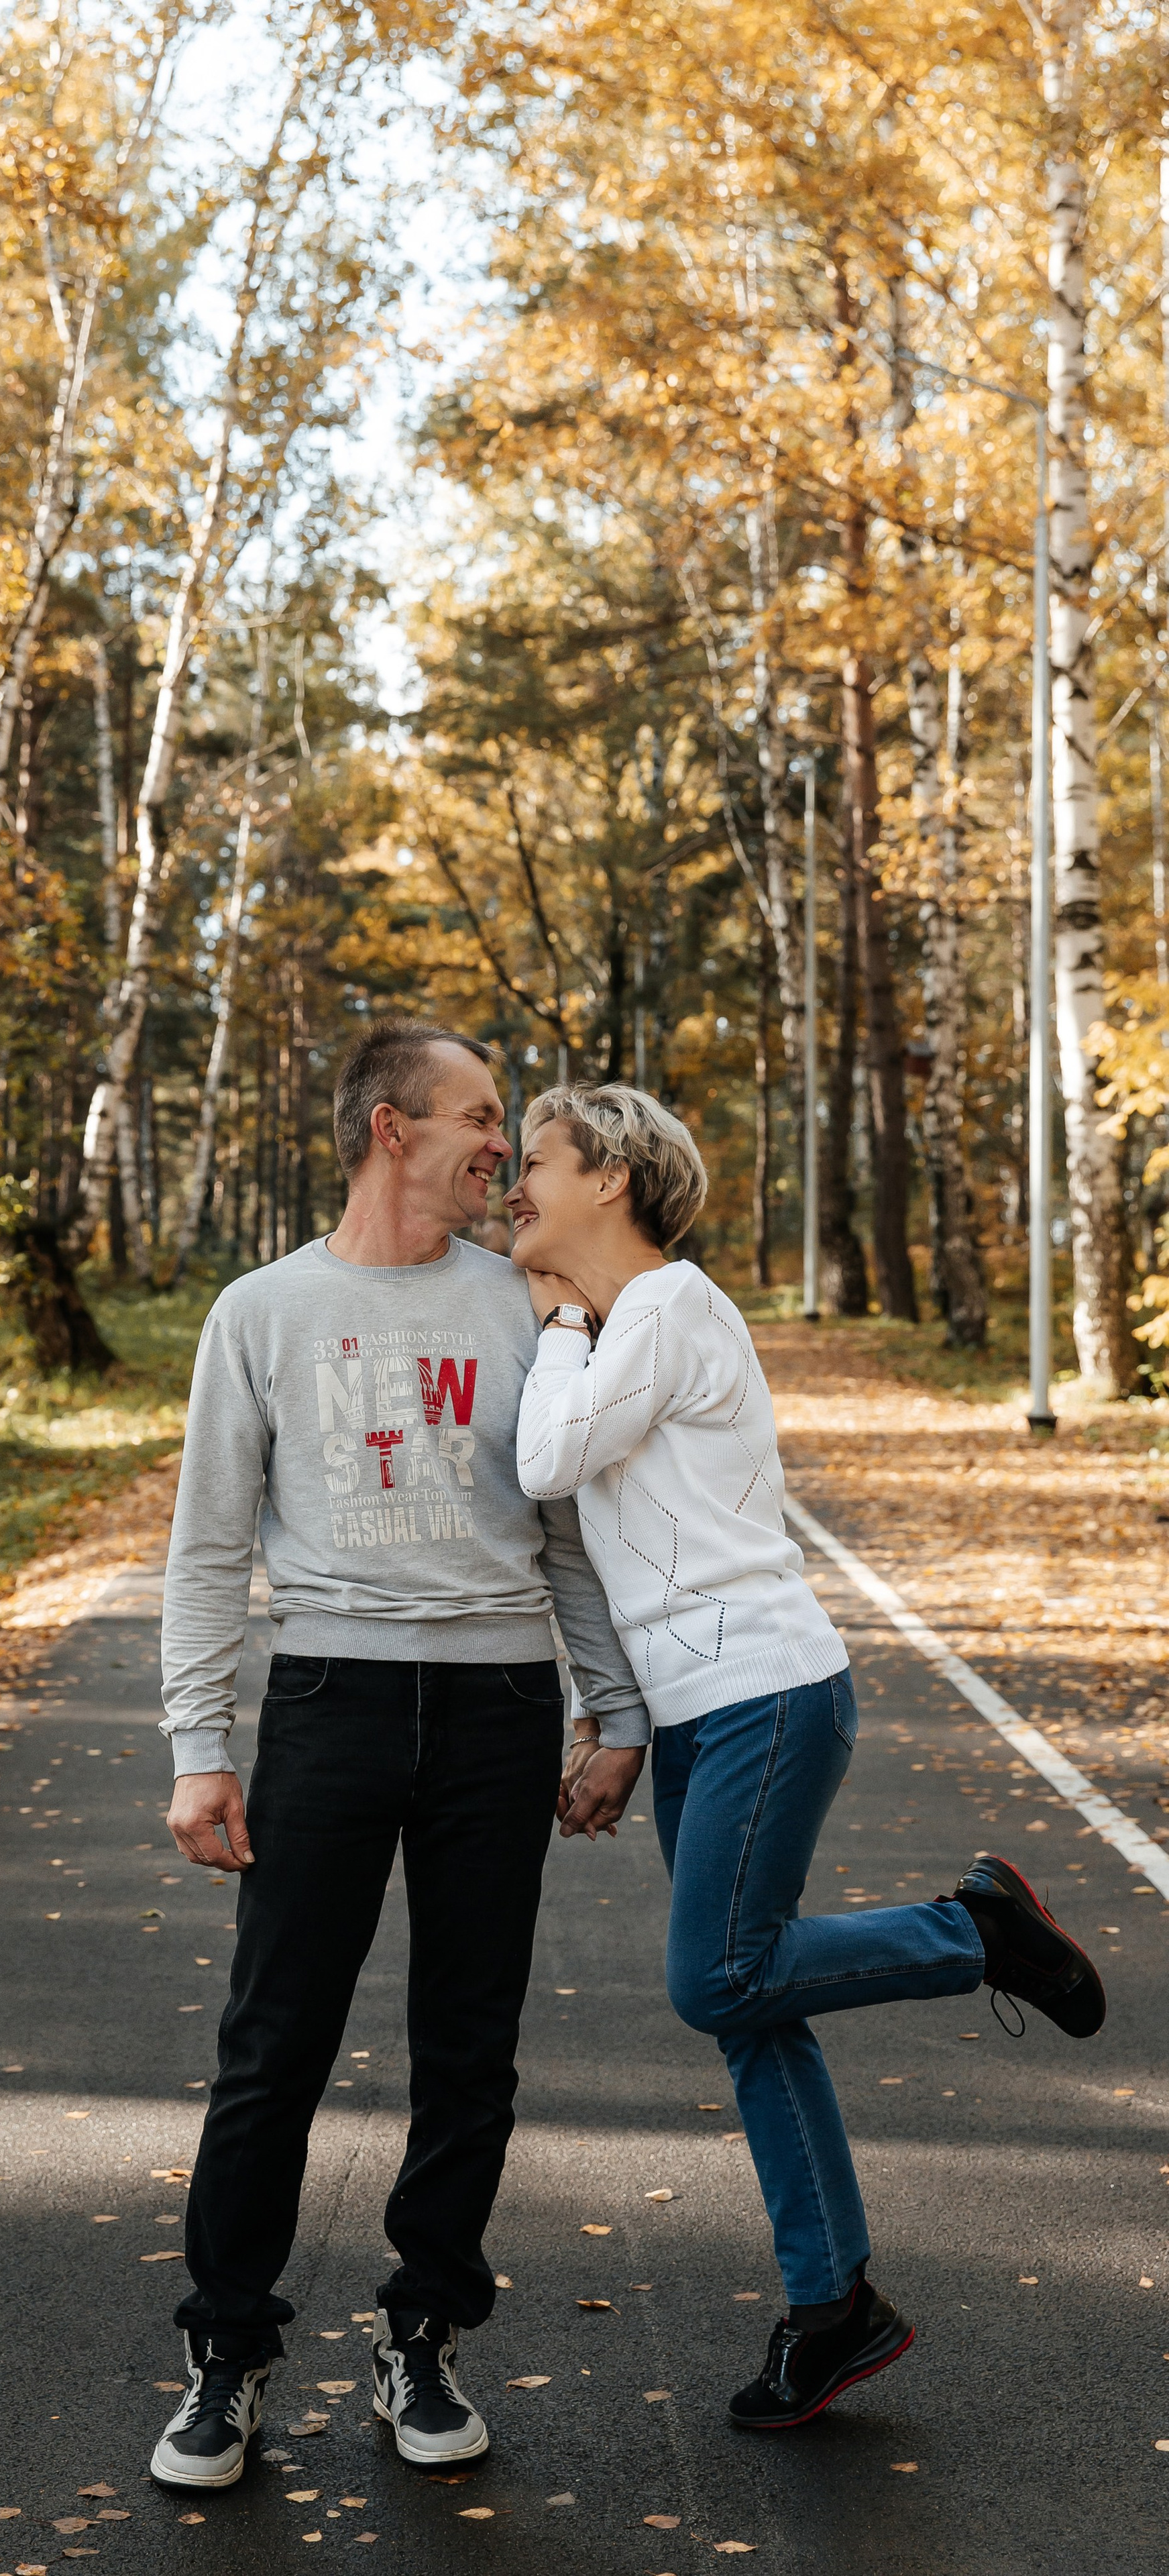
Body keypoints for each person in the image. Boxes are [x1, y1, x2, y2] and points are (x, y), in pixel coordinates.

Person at [506, 1079, 1105, 2432]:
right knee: (751, 2010)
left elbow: (546, 1460)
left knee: (717, 1976)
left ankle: (975, 1932)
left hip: (764, 1692)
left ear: (608, 1178)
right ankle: (831, 2306)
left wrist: (554, 1323)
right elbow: (608, 1559)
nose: (514, 1187)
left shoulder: (660, 1307)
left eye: (535, 1160)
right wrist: (618, 1723)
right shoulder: (626, 1324)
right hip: (705, 1708)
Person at [148, 1022, 648, 2492]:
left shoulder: (529, 1309)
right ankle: (227, 2353)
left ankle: (423, 2335)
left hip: (497, 1709)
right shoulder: (261, 1311)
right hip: (329, 1700)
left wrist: (612, 1715)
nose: (502, 1144)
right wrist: (198, 1746)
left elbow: (572, 1538)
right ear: (392, 1128)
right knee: (272, 2044)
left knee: (467, 2049)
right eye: (479, 1116)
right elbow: (206, 1549)